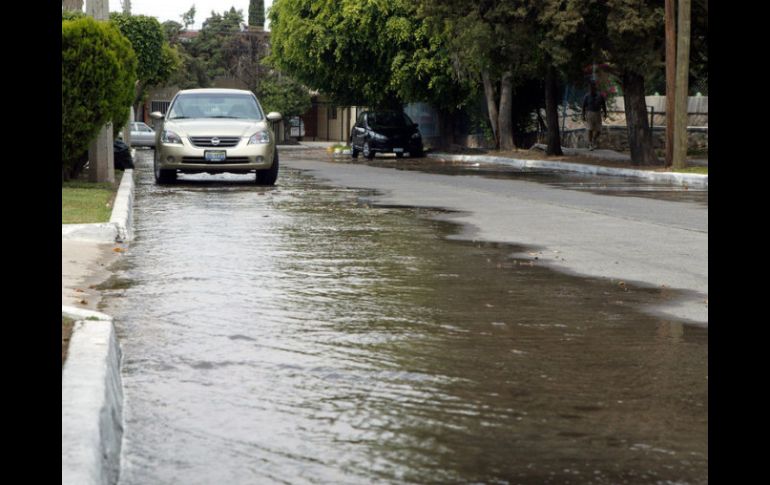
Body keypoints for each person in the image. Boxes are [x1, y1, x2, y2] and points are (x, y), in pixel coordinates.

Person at [582, 80, 608, 151]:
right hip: (589, 113)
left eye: (593, 86)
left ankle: (593, 140)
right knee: (590, 129)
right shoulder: (586, 96)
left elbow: (604, 105)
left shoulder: (600, 95)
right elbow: (583, 106)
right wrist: (583, 115)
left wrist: (605, 113)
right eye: (590, 87)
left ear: (595, 87)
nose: (592, 88)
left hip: (598, 113)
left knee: (599, 130)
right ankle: (590, 144)